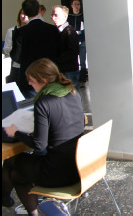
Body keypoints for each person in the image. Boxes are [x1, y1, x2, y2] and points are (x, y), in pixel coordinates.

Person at [2, 58, 84, 213]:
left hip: (57, 172)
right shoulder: (72, 92)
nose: (29, 84)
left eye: (32, 81)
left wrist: (15, 132)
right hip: (79, 166)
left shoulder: (44, 102)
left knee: (11, 162)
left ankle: (5, 199)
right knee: (16, 175)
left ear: (43, 80)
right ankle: (13, 203)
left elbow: (40, 145)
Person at [11, 0, 60, 98]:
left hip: (30, 78)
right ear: (39, 10)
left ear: (24, 12)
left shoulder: (21, 32)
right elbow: (59, 52)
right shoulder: (52, 30)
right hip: (49, 75)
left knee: (32, 108)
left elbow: (16, 56)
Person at [51, 5, 80, 89]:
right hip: (64, 70)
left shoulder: (69, 32)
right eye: (52, 15)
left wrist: (57, 60)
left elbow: (74, 51)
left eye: (56, 15)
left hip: (69, 71)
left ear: (64, 16)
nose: (53, 18)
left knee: (71, 95)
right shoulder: (61, 31)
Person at [4, 9, 29, 84]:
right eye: (22, 14)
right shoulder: (11, 30)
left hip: (29, 66)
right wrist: (17, 48)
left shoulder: (32, 31)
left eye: (26, 14)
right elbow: (6, 49)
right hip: (15, 65)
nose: (24, 16)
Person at [67, 0, 87, 84]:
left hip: (82, 40)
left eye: (78, 4)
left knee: (82, 60)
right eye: (75, 4)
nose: (77, 6)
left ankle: (82, 77)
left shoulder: (83, 16)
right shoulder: (69, 16)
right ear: (71, 5)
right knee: (74, 59)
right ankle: (75, 77)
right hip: (72, 41)